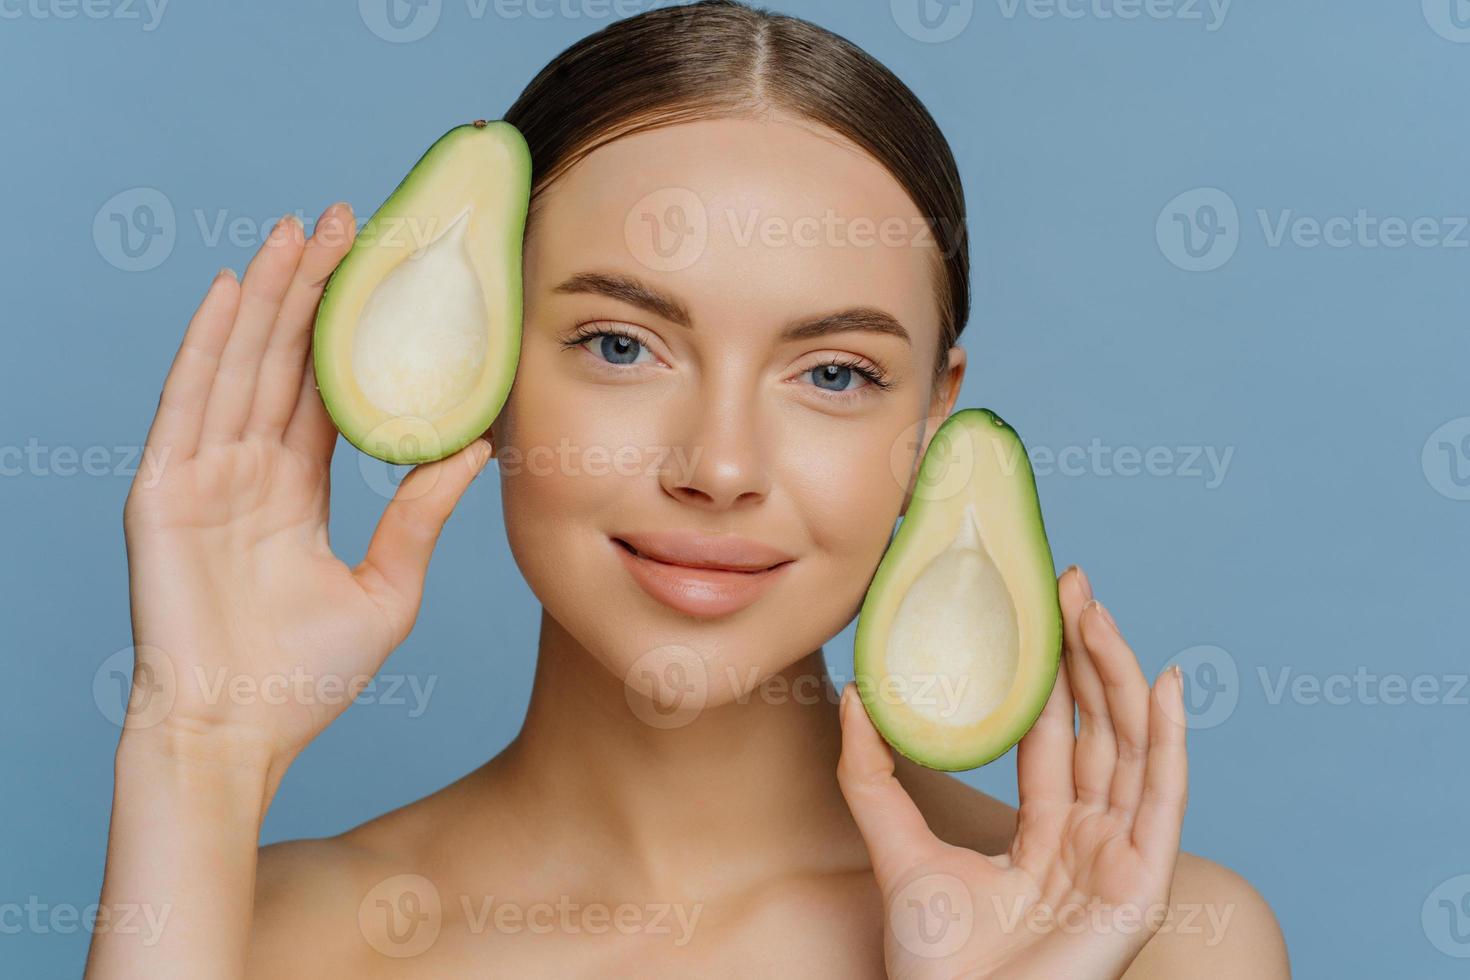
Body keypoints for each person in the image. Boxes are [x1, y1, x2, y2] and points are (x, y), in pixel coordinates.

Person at [85, 2, 1290, 976]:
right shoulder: (262, 938)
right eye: (620, 344)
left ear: (929, 420)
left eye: (833, 372)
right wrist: (196, 747)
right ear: (481, 362)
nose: (717, 467)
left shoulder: (1153, 942)